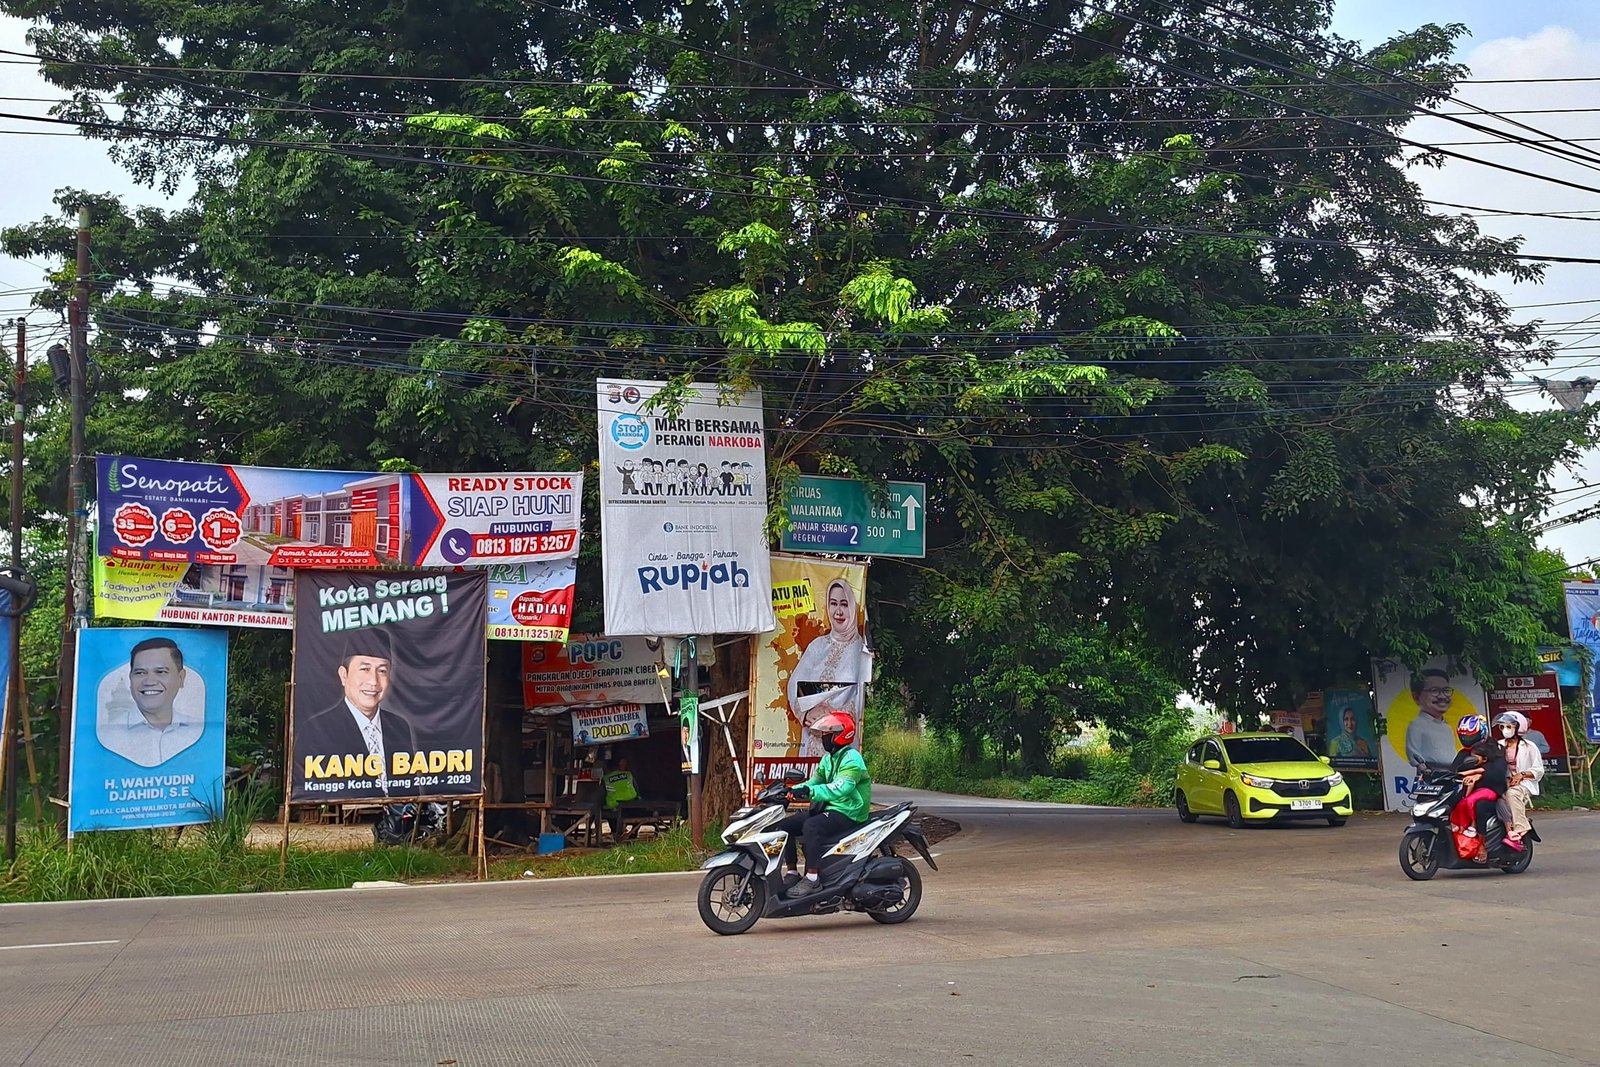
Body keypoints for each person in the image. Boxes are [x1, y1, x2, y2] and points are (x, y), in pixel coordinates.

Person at [294, 630, 417, 798]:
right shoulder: (317, 729)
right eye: (365, 669)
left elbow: (409, 788)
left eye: (382, 671)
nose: (373, 681)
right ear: (344, 675)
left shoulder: (399, 726)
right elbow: (306, 787)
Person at [777, 713, 871, 897]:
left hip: (849, 810)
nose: (824, 738)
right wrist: (790, 790)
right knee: (785, 826)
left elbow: (841, 788)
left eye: (828, 733)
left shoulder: (852, 759)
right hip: (830, 807)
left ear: (841, 735)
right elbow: (815, 781)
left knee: (811, 826)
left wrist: (810, 793)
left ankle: (812, 879)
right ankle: (792, 872)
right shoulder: (828, 759)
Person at [786, 578, 873, 757]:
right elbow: (794, 683)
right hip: (812, 736)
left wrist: (829, 720)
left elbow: (858, 698)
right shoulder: (817, 645)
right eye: (833, 604)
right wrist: (806, 713)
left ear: (852, 608)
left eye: (844, 604)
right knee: (809, 783)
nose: (838, 611)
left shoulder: (860, 651)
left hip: (842, 738)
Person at [98, 637, 203, 767]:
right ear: (130, 678)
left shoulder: (197, 731)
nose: (149, 681)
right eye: (140, 673)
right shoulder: (109, 736)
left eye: (160, 672)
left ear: (181, 678)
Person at [1497, 711, 1543, 845]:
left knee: (1512, 794)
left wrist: (1521, 775)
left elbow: (1539, 770)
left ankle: (1521, 827)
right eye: (1502, 727)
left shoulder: (1529, 747)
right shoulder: (1498, 745)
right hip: (1501, 781)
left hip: (1523, 784)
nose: (1505, 730)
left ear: (1519, 728)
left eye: (1509, 727)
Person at [1404, 668, 1460, 773]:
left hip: (1451, 775)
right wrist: (1424, 770)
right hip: (1431, 776)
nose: (1442, 696)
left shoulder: (1447, 727)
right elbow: (1413, 753)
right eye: (1435, 691)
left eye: (1446, 691)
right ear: (1416, 697)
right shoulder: (1417, 725)